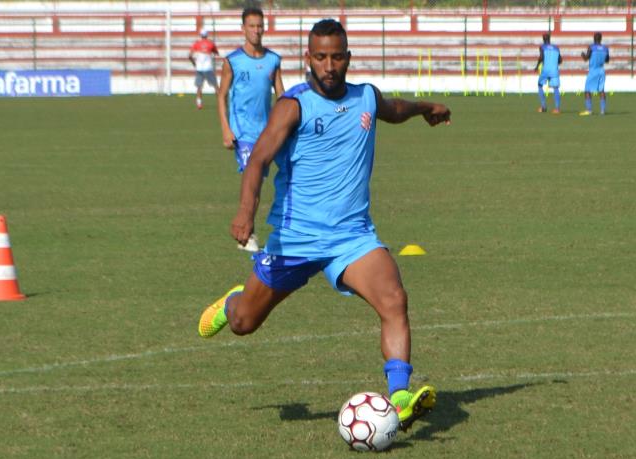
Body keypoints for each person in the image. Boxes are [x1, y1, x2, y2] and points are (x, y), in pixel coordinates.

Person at [198, 19, 451, 432]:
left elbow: (396, 109)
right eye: (320, 57)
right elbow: (259, 159)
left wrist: (427, 108)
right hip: (295, 240)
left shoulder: (366, 97)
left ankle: (400, 396)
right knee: (245, 323)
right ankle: (232, 302)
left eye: (336, 56)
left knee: (394, 298)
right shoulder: (293, 106)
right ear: (308, 59)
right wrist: (245, 211)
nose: (329, 65)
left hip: (352, 238)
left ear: (348, 58)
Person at [218, 7, 285, 252]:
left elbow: (281, 95)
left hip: (268, 133)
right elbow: (222, 95)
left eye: (260, 26)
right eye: (252, 26)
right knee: (253, 182)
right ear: (243, 28)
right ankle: (247, 234)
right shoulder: (232, 61)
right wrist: (226, 129)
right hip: (243, 134)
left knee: (285, 175)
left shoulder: (273, 60)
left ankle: (284, 228)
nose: (257, 30)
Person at [188, 29, 220, 110]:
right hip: (208, 68)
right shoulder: (211, 43)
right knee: (215, 86)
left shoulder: (196, 44)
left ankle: (199, 103)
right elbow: (217, 53)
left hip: (199, 68)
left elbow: (190, 56)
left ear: (201, 35)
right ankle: (220, 103)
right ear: (207, 35)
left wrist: (194, 64)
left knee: (199, 86)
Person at [580, 32, 610, 116]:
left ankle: (589, 110)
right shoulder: (605, 48)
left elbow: (586, 58)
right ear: (601, 39)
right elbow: (607, 60)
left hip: (593, 71)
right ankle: (602, 111)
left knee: (587, 90)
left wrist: (583, 55)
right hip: (601, 71)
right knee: (601, 90)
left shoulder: (591, 47)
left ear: (594, 38)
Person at [534, 32, 562, 114]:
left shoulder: (542, 47)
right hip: (554, 70)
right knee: (556, 88)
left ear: (543, 39)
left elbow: (541, 57)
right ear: (549, 39)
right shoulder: (556, 48)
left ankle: (543, 107)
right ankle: (557, 109)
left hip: (546, 69)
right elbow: (560, 60)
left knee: (540, 85)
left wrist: (537, 66)